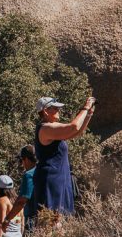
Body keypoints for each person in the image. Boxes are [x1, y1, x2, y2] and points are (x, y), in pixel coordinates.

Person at [6, 95, 95, 226]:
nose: (59, 111)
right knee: (52, 223)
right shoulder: (45, 128)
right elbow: (73, 127)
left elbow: (76, 133)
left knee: (61, 222)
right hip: (51, 182)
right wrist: (85, 107)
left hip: (61, 180)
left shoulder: (53, 129)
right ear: (46, 111)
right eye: (55, 108)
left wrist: (88, 114)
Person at [3, 145, 37, 234]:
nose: (22, 164)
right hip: (48, 216)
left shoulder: (29, 175)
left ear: (26, 159)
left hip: (33, 219)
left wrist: (7, 219)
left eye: (21, 160)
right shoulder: (44, 170)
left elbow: (22, 201)